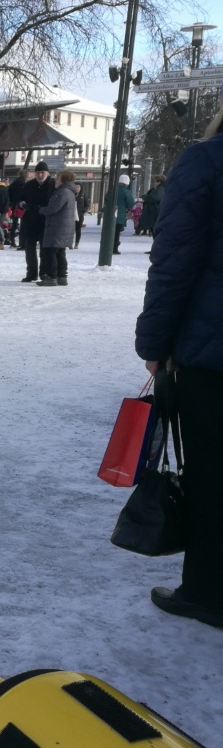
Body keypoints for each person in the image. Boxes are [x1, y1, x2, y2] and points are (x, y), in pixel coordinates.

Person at [134, 106, 223, 629]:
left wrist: (155, 343)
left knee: (212, 474)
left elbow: (174, 261)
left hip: (213, 355)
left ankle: (209, 592)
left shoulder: (207, 162)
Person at [38, 170, 77, 286]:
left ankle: (51, 277)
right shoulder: (70, 191)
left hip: (57, 227)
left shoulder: (62, 192)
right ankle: (62, 276)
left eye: (58, 178)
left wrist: (40, 209)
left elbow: (53, 209)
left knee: (51, 252)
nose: (55, 180)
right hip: (64, 227)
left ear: (63, 179)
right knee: (60, 252)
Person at [19, 162, 54, 281]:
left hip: (46, 221)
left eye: (42, 172)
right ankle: (31, 273)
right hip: (30, 221)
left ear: (47, 173)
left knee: (44, 249)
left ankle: (43, 273)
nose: (40, 175)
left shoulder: (53, 184)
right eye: (37, 172)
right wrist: (21, 204)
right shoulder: (29, 185)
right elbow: (20, 199)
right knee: (29, 248)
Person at [111, 174, 134, 253]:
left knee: (110, 231)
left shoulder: (112, 190)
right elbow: (130, 203)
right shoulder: (126, 192)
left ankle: (107, 246)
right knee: (117, 232)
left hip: (110, 215)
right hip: (120, 214)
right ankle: (115, 248)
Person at [7, 168, 28, 247]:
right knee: (23, 224)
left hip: (14, 205)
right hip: (22, 205)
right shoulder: (24, 184)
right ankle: (21, 242)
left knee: (14, 224)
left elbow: (9, 193)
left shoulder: (13, 183)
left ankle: (12, 240)